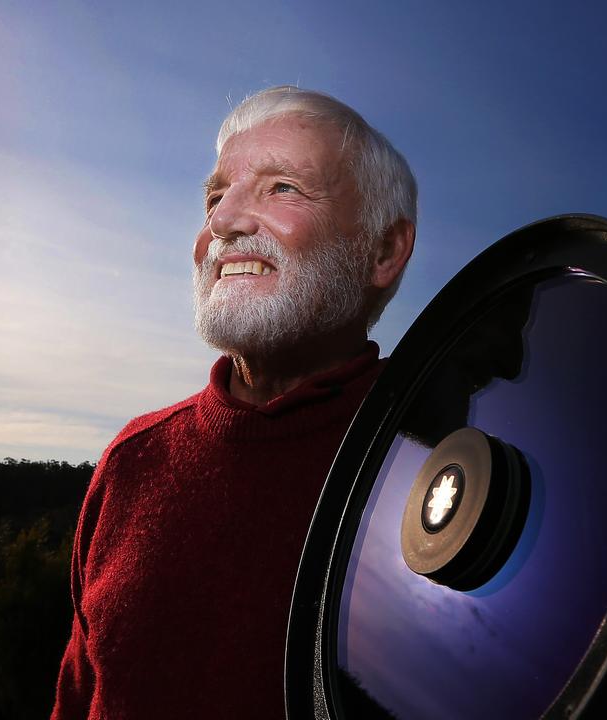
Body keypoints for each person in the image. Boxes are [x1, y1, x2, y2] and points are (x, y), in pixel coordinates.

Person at [51, 86, 416, 719]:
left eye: (282, 188)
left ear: (383, 251)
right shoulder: (132, 459)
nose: (223, 222)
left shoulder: (441, 449)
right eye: (216, 197)